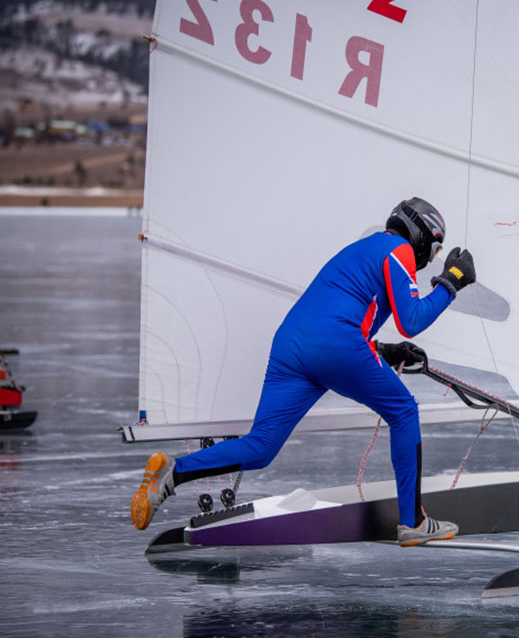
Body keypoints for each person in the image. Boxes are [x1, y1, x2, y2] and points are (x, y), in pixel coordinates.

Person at [130, 197, 476, 546]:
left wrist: (385, 352)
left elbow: (338, 313)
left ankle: (173, 473)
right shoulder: (398, 249)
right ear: (419, 236)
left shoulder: (362, 249)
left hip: (291, 346)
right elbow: (411, 321)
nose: (429, 260)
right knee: (403, 411)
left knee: (261, 446)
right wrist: (451, 282)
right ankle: (413, 521)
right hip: (337, 345)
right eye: (433, 251)